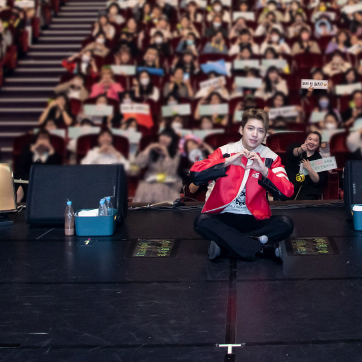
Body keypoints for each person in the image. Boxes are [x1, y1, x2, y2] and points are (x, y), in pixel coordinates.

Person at [189, 108, 295, 261]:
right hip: (223, 217)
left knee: (286, 223)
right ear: (241, 129)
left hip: (255, 219)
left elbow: (287, 192)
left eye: (260, 130)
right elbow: (196, 174)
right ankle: (262, 248)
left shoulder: (271, 158)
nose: (254, 134)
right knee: (201, 222)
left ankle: (226, 245)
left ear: (265, 135)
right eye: (250, 128)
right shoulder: (225, 151)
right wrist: (226, 162)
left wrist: (265, 171)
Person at [132, 132, 182, 205]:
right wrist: (148, 148)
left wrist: (166, 154)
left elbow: (171, 172)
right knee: (145, 187)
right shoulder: (152, 151)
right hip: (150, 180)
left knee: (158, 188)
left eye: (168, 137)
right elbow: (138, 163)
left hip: (170, 182)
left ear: (172, 140)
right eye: (163, 135)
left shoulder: (176, 153)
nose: (164, 138)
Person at [283, 130, 327, 200]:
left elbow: (318, 180)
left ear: (318, 144)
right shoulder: (296, 146)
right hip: (288, 186)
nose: (312, 142)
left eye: (315, 140)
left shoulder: (319, 160)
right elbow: (291, 152)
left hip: (306, 193)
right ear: (305, 140)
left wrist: (309, 168)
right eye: (310, 139)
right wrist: (300, 150)